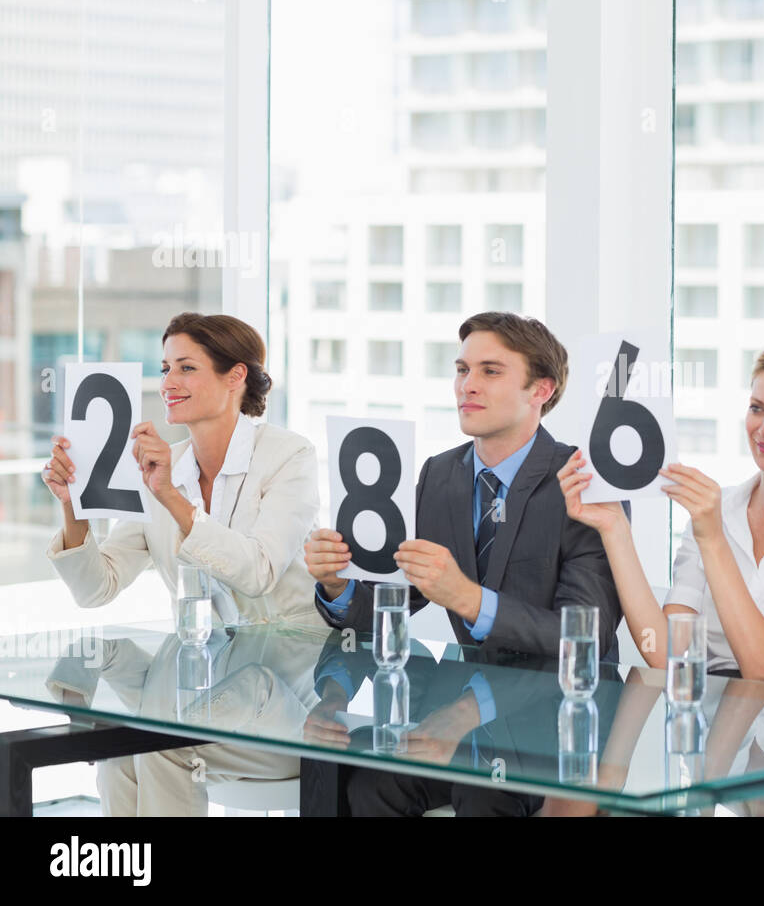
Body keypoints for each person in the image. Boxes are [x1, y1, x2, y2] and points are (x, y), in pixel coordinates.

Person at [305, 311, 622, 816]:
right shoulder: (439, 475)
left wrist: (470, 600)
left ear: (541, 389)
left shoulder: (583, 482)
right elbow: (391, 602)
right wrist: (336, 584)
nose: (467, 385)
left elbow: (588, 637)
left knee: (481, 793)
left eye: (490, 371)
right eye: (461, 370)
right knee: (367, 779)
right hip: (465, 703)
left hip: (560, 718)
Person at [42, 312, 322, 815]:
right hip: (202, 688)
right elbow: (96, 589)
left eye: (186, 368)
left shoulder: (288, 456)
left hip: (285, 701)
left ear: (236, 376)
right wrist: (72, 506)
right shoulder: (163, 469)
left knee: (160, 746)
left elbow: (257, 571)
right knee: (120, 752)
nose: (168, 382)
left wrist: (169, 493)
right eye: (165, 367)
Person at [558, 331, 764, 690]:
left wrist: (712, 539)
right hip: (721, 723)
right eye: (757, 408)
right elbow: (665, 653)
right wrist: (615, 529)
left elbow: (763, 666)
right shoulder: (719, 509)